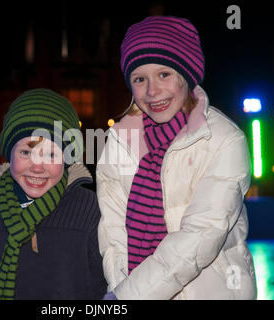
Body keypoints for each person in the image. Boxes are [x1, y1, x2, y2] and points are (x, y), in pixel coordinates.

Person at [96, 16, 257, 299]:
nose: (152, 91)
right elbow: (112, 232)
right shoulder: (119, 143)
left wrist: (128, 296)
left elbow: (200, 236)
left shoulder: (223, 140)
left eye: (164, 74)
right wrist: (118, 286)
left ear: (187, 74)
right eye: (139, 79)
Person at [0, 88, 107, 299]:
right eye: (26, 152)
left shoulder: (87, 207)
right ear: (9, 154)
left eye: (51, 154)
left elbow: (102, 287)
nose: (37, 167)